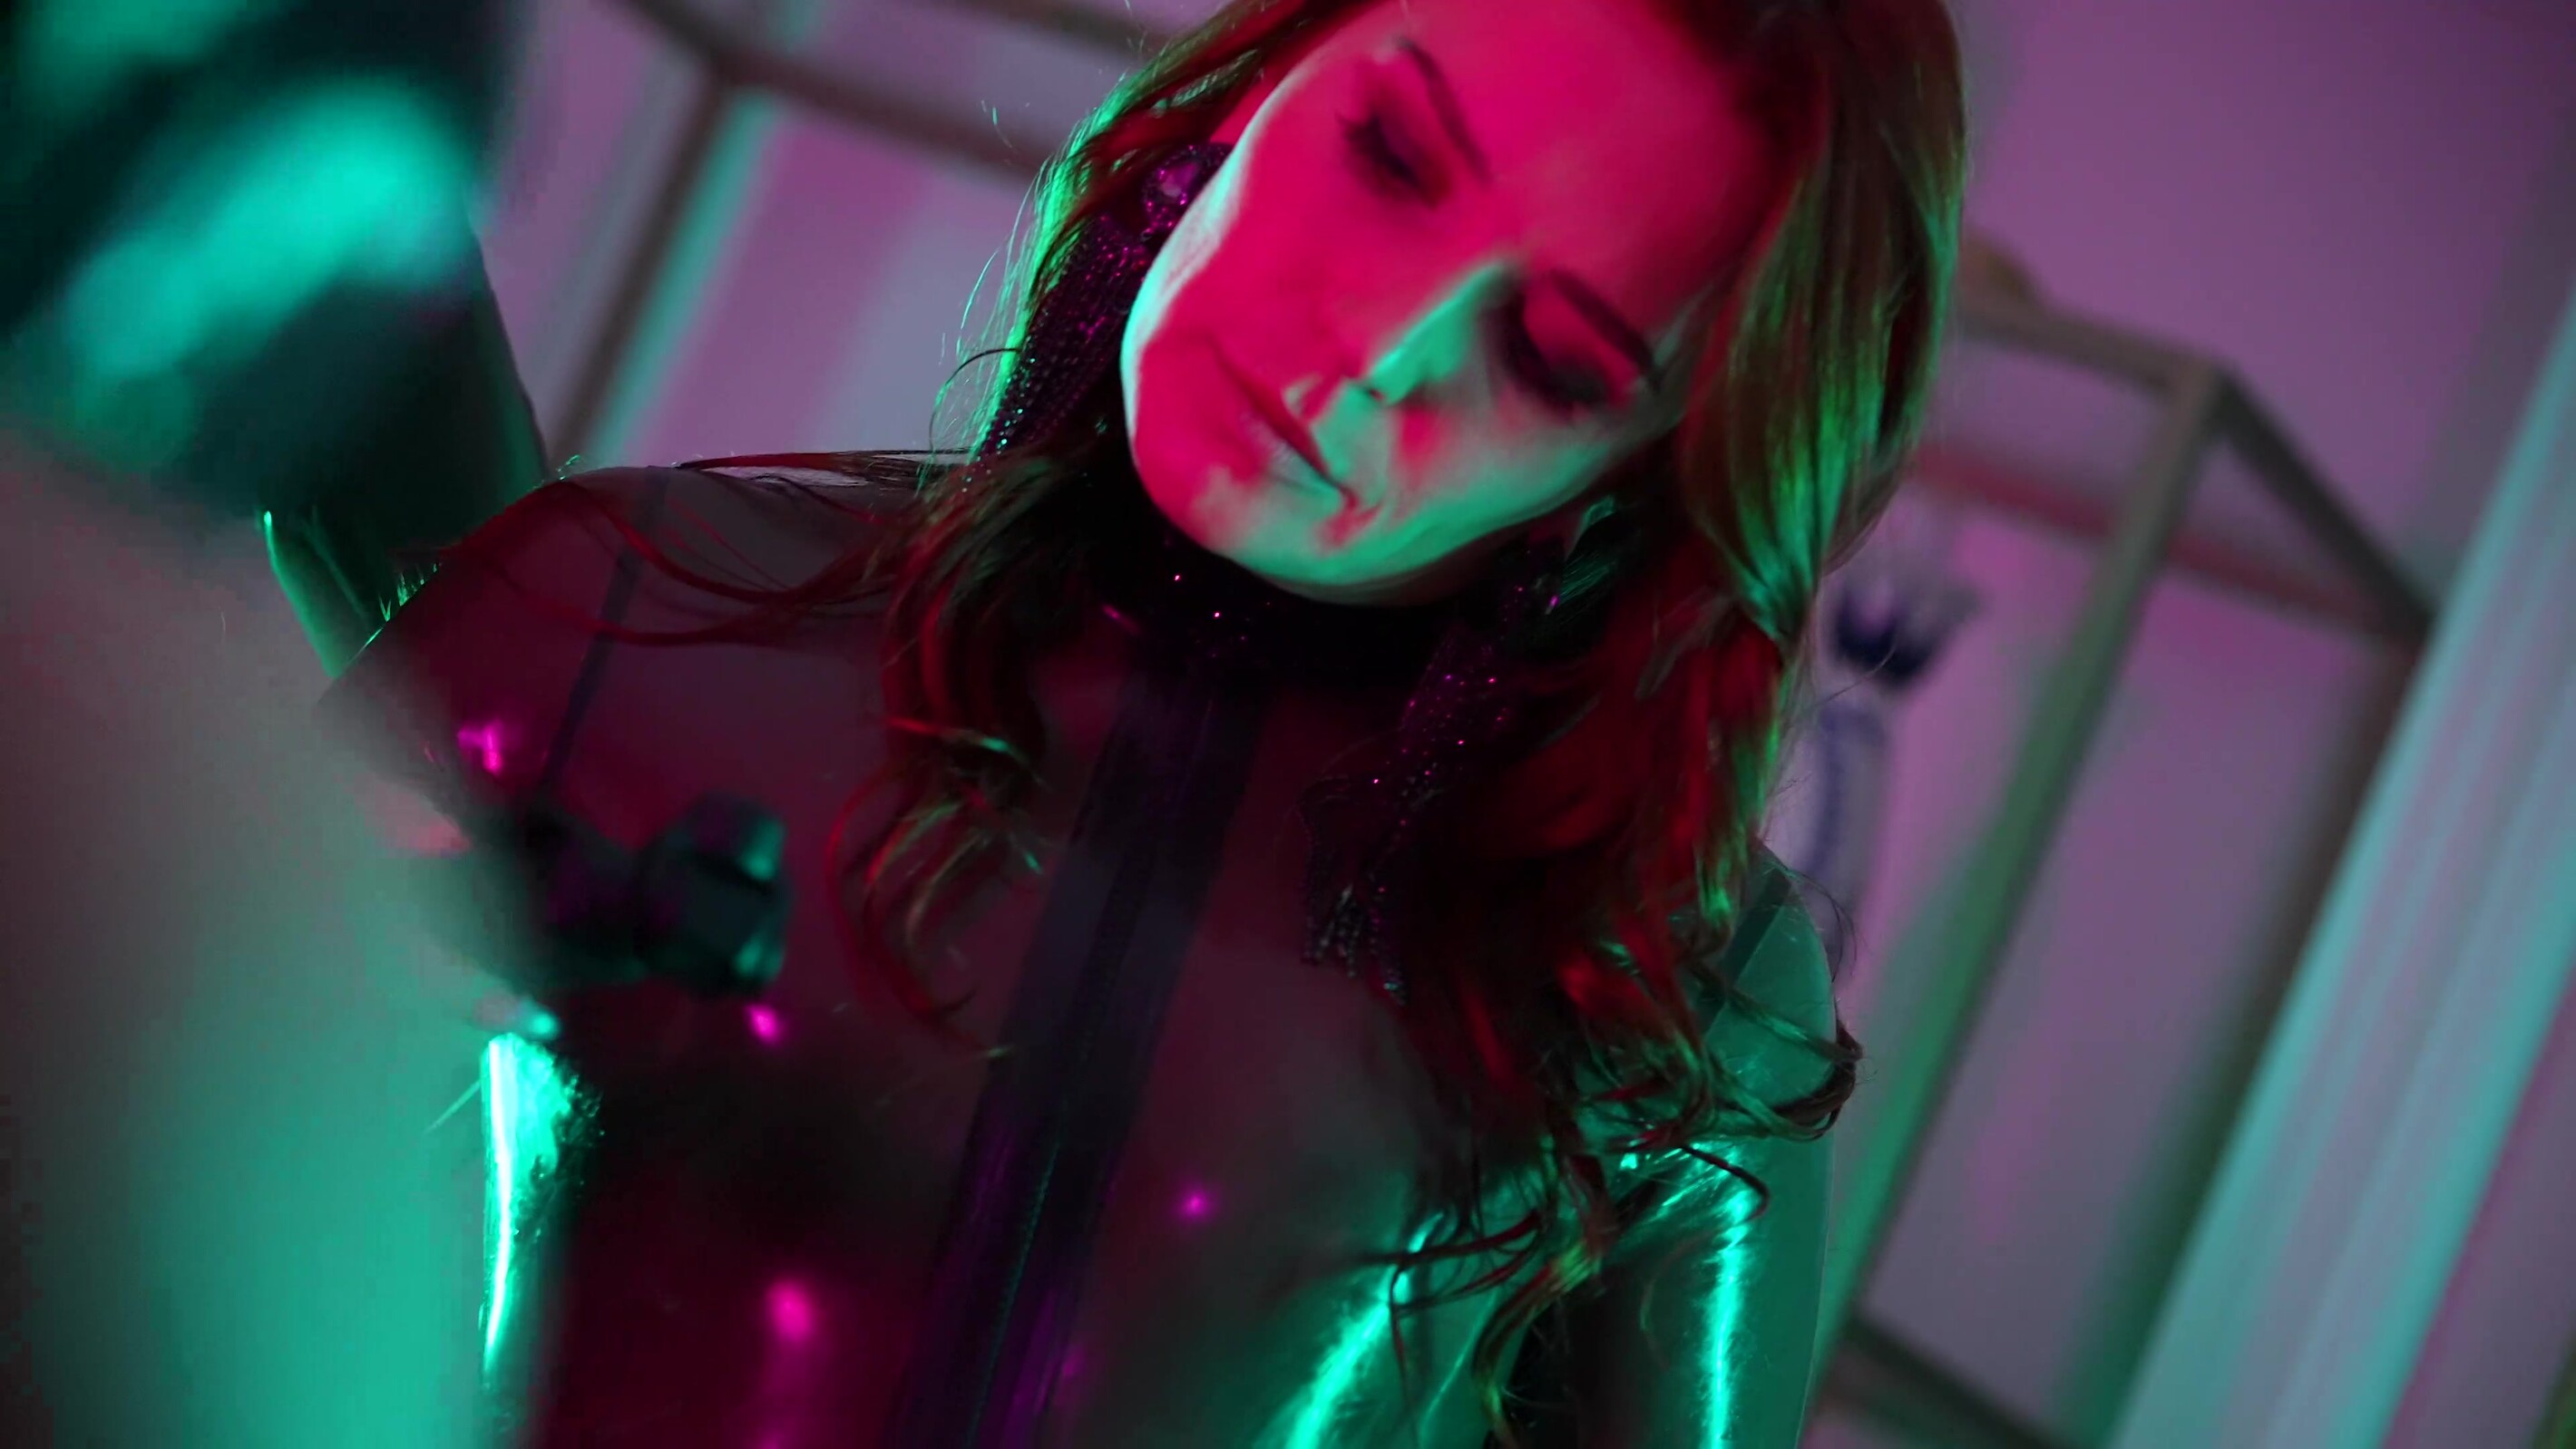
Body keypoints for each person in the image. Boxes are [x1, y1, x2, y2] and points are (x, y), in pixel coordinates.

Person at [328, 0, 1965, 1443]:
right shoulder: (606, 599)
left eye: (1547, 357)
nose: (1365, 344)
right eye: (1390, 153)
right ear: (1263, 77)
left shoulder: (1664, 980)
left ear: (1639, 486)